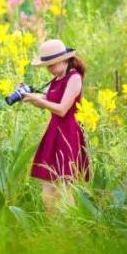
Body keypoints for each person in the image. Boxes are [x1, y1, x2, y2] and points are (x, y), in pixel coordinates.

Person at [22, 39, 90, 216]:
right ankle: (54, 227)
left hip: (68, 132)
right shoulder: (57, 79)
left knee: (65, 185)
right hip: (54, 131)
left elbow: (61, 109)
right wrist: (31, 97)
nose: (49, 68)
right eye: (47, 65)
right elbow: (49, 103)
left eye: (52, 64)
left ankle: (71, 227)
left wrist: (39, 100)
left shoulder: (74, 78)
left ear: (64, 59)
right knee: (48, 185)